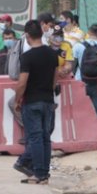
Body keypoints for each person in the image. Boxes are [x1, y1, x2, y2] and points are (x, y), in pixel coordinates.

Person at [13, 20, 59, 184]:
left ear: (26, 35)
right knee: (45, 137)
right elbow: (55, 78)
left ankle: (38, 173)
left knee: (35, 138)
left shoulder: (27, 57)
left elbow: (22, 82)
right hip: (48, 100)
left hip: (32, 101)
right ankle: (44, 174)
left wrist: (18, 99)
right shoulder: (52, 54)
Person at [73, 24, 97, 118]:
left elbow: (72, 65)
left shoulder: (78, 46)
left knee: (80, 108)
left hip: (80, 80)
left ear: (88, 32)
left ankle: (81, 127)